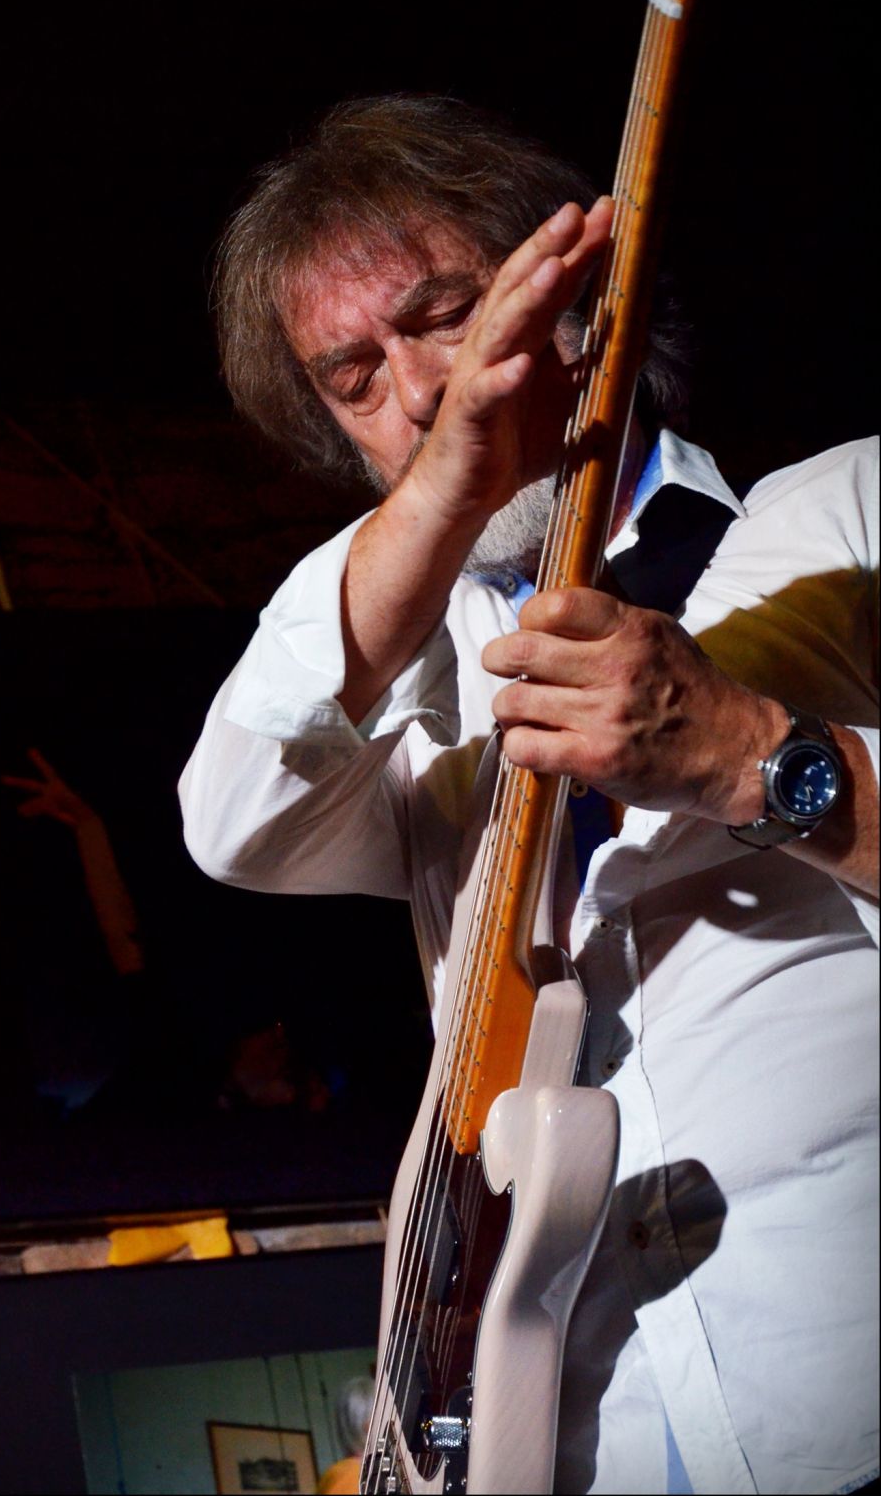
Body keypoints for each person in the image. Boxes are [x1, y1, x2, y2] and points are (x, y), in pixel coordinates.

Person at [178, 97, 878, 1495]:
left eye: (446, 317)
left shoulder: (846, 519)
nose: (420, 394)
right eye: (354, 378)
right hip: (583, 1439)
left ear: (580, 302)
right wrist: (439, 500)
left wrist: (747, 756)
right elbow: (230, 821)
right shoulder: (401, 684)